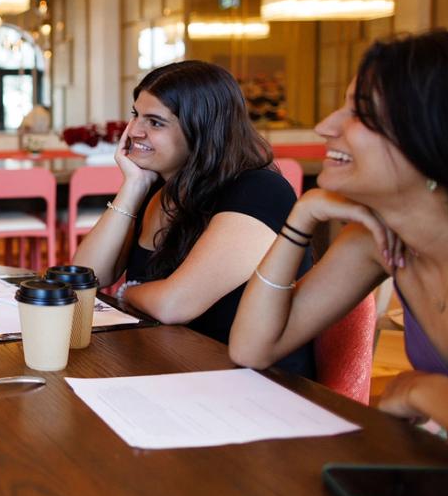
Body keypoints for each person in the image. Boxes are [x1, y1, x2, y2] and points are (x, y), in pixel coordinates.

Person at [230, 31, 448, 429]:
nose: (325, 126)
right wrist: (301, 216)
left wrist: (422, 390)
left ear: (431, 134)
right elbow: (251, 348)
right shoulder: (375, 237)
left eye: (360, 113)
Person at [73, 60, 315, 377]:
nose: (134, 131)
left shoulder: (258, 191)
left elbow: (174, 305)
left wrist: (125, 292)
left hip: (253, 383)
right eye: (136, 114)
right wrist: (133, 187)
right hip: (173, 364)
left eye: (155, 122)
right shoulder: (159, 186)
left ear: (202, 130)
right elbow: (88, 275)